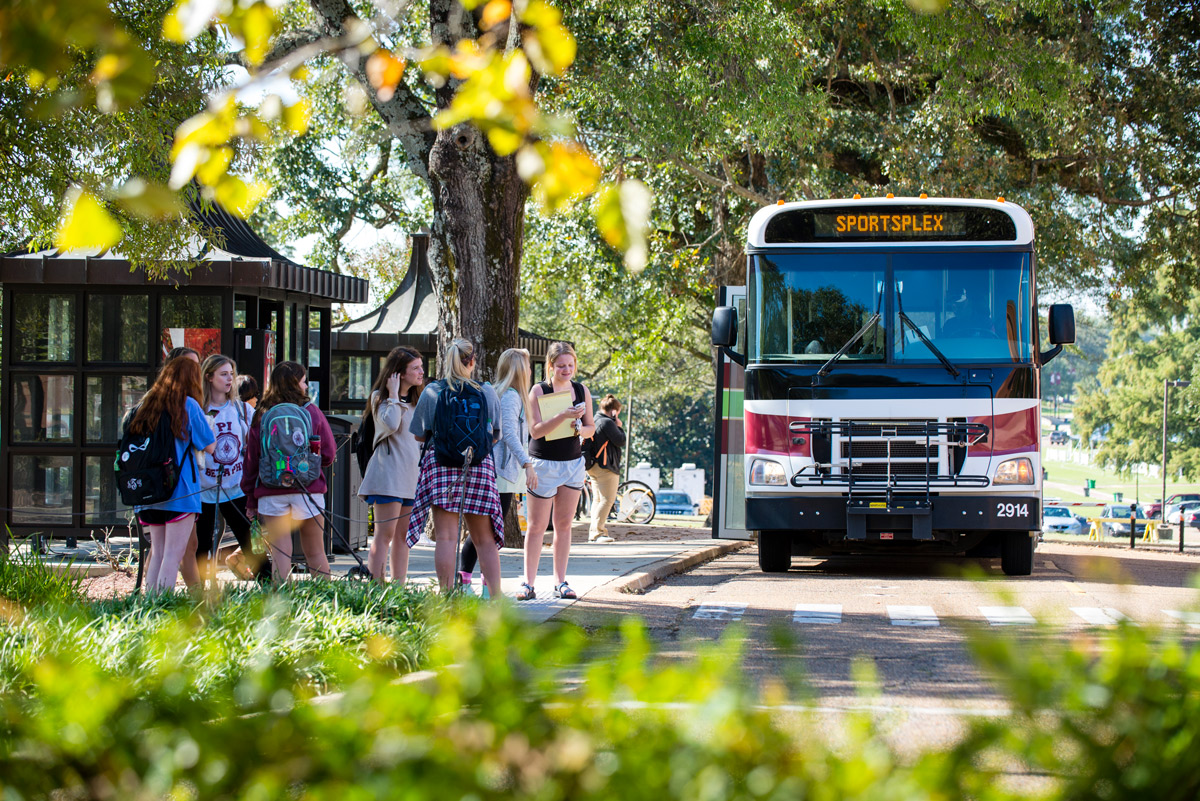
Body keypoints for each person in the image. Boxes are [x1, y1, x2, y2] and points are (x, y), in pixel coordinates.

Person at [404, 338, 504, 595]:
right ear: (472, 361)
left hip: (442, 466)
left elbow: (418, 433)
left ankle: (447, 597)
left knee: (446, 537)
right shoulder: (486, 391)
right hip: (478, 466)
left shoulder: (432, 391)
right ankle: (495, 599)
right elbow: (495, 433)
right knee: (485, 540)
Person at [240, 361, 336, 582]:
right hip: (307, 488)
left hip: (271, 490)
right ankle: (326, 600)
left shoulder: (262, 413)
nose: (305, 386)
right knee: (315, 551)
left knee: (281, 554)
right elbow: (328, 454)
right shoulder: (311, 411)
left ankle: (281, 600)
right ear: (295, 384)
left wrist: (250, 498)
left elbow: (252, 460)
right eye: (303, 382)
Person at [131, 356, 217, 593]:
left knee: (157, 553)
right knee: (172, 556)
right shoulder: (189, 405)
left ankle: (149, 604)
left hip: (149, 491)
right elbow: (210, 446)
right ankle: (162, 604)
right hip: (180, 492)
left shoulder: (145, 405)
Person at [518, 341, 594, 601]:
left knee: (564, 525)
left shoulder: (582, 390)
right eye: (561, 365)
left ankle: (560, 581)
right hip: (543, 464)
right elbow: (535, 431)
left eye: (571, 365)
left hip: (572, 465)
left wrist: (579, 429)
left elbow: (590, 428)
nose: (567, 370)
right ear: (550, 366)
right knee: (537, 525)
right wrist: (562, 416)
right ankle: (528, 583)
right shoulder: (539, 390)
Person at [458, 347, 538, 593]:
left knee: (485, 533)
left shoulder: (504, 393)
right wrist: (527, 463)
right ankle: (477, 586)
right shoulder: (511, 395)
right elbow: (510, 435)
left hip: (502, 473)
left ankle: (468, 583)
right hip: (502, 474)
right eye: (526, 365)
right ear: (519, 370)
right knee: (488, 534)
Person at [195, 354, 266, 583]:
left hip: (235, 486)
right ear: (209, 376)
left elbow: (255, 441)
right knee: (203, 545)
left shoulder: (241, 408)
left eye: (231, 374)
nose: (229, 379)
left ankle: (270, 589)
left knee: (251, 543)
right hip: (203, 488)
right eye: (223, 374)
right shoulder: (198, 408)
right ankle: (199, 596)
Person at [359, 346, 425, 584]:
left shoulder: (419, 400)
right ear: (398, 373)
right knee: (384, 535)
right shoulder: (381, 398)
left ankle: (399, 586)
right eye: (415, 368)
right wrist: (394, 394)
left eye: (421, 367)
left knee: (404, 536)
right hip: (387, 476)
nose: (421, 372)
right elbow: (391, 424)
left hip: (410, 477)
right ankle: (375, 585)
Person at [586, 394, 626, 543]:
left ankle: (594, 531)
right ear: (614, 411)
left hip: (593, 465)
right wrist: (619, 426)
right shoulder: (608, 423)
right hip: (605, 466)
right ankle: (598, 532)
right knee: (607, 500)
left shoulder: (595, 420)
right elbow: (620, 440)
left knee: (598, 499)